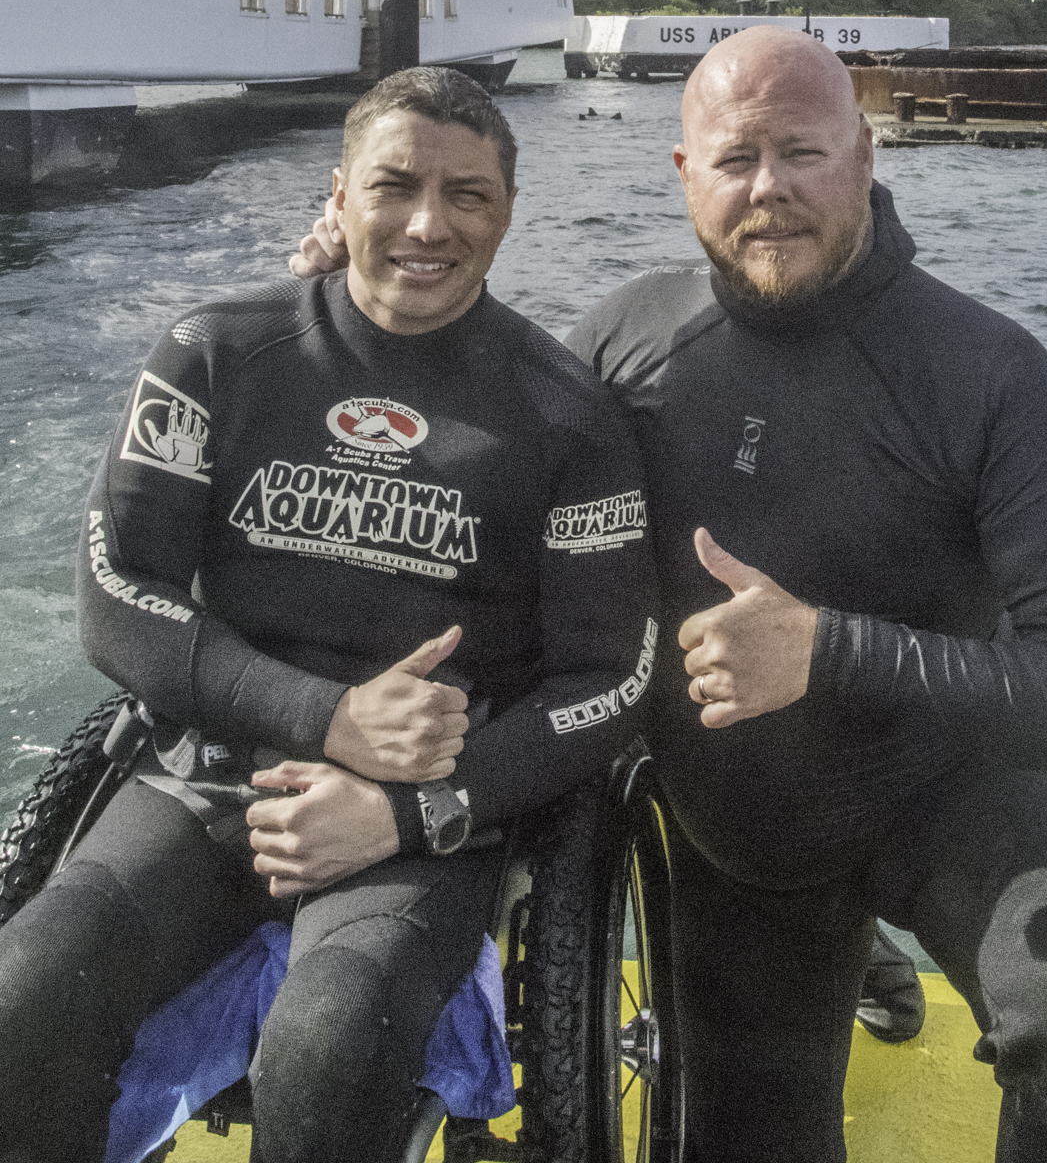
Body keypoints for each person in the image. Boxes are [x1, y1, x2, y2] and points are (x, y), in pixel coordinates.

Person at [292, 32, 1047, 1163]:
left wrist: (828, 648)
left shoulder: (987, 372)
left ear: (866, 150)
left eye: (803, 150)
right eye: (735, 156)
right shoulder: (623, 339)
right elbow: (459, 489)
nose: (770, 188)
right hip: (740, 829)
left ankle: (879, 946)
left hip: (952, 789)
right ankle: (854, 953)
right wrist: (337, 313)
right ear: (682, 172)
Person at [0, 67, 655, 1163]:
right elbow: (118, 599)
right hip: (210, 772)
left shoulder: (566, 419)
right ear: (339, 191)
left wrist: (414, 807)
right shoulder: (214, 352)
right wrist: (331, 716)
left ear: (506, 212)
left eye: (468, 196)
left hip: (428, 811)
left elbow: (611, 681)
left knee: (328, 1044)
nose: (426, 224)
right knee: (23, 994)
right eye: (393, 185)